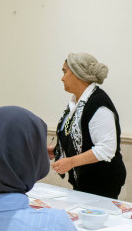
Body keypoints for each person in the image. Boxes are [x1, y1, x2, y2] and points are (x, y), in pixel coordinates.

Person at [48, 53, 126, 199]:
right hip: (83, 181)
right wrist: (57, 149)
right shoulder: (75, 103)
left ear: (77, 73)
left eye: (65, 72)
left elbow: (106, 148)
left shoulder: (98, 104)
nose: (62, 78)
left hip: (102, 183)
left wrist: (71, 161)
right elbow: (73, 135)